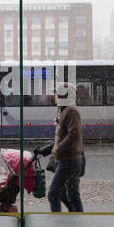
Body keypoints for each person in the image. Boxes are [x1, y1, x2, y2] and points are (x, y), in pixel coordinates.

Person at [35, 82, 84, 212]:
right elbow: (61, 137)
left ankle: (59, 221)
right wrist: (46, 150)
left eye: (57, 94)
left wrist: (58, 149)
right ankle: (76, 217)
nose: (55, 96)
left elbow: (74, 134)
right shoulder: (63, 110)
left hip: (69, 159)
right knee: (71, 195)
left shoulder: (71, 111)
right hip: (68, 158)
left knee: (53, 194)